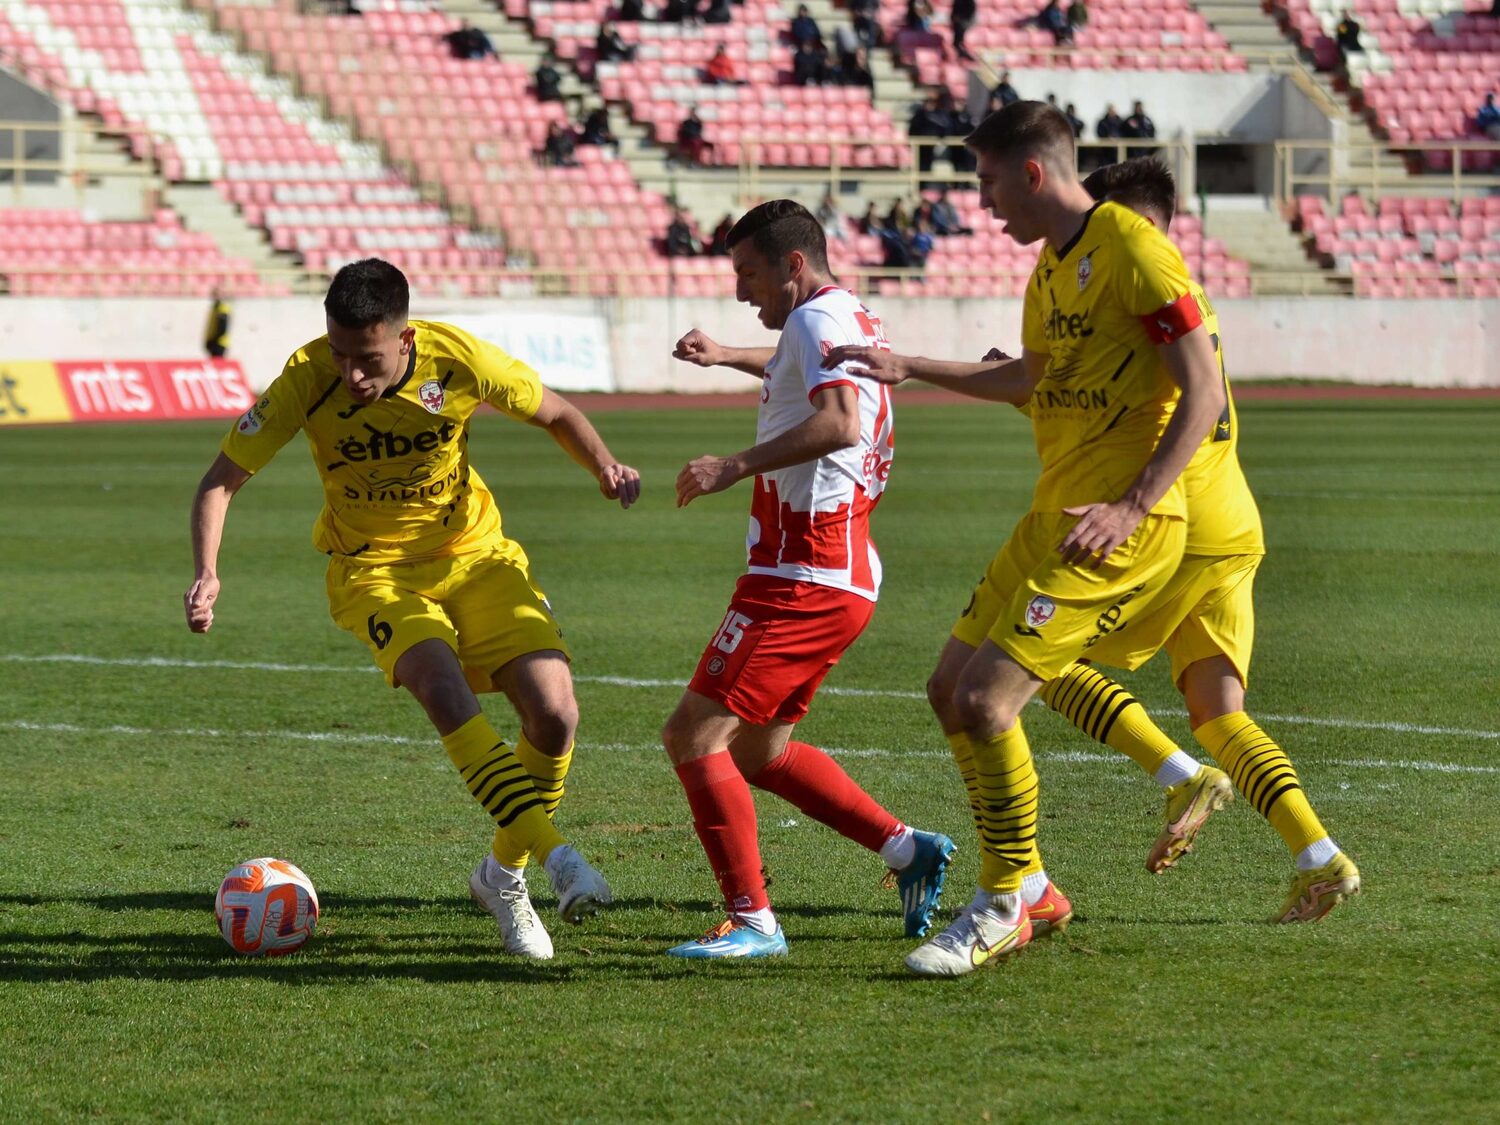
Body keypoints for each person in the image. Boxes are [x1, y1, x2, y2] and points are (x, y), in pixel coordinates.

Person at [827, 154, 1362, 936]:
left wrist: (1013, 390)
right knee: (1219, 712)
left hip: (1172, 523)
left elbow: (1108, 411)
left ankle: (1156, 789)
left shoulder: (1130, 283)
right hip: (1232, 524)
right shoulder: (1186, 302)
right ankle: (1319, 854)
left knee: (1027, 657)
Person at [824, 102, 1228, 977]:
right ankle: (1033, 885)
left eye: (988, 181)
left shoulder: (1133, 249)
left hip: (1120, 525)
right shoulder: (1050, 266)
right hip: (1054, 514)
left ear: (1033, 173)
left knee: (987, 699)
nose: (983, 201)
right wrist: (913, 365)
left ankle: (1004, 901)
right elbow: (1030, 379)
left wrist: (1132, 504)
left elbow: (1205, 390)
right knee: (947, 688)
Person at [184, 259, 639, 960]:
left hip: (476, 554)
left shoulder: (457, 360)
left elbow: (555, 411)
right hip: (374, 570)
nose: (350, 374)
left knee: (555, 715)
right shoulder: (307, 376)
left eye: (366, 359)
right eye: (339, 352)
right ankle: (559, 859)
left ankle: (501, 876)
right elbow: (221, 480)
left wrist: (604, 464)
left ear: (404, 338)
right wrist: (207, 571)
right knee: (442, 687)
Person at [662, 200, 955, 958]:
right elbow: (799, 371)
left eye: (748, 273)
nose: (740, 290)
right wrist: (726, 354)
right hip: (832, 567)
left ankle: (753, 920)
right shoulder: (842, 314)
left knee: (694, 734)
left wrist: (733, 465)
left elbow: (838, 422)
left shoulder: (814, 320)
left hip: (805, 570)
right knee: (759, 752)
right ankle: (907, 850)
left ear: (794, 264)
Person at [203, 288, 231, 359]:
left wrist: (214, 340)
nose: (215, 296)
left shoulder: (223, 308)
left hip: (219, 343)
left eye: (217, 294)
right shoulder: (214, 308)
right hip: (213, 342)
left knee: (218, 362)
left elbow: (223, 327)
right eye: (214, 294)